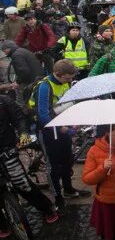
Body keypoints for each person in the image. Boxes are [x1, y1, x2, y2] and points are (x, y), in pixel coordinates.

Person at [31, 59, 90, 206]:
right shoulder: (44, 87)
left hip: (62, 125)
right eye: (67, 78)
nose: (69, 81)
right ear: (57, 74)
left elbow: (69, 102)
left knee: (67, 160)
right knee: (53, 166)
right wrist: (62, 129)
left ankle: (68, 189)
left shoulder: (66, 81)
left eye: (71, 78)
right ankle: (57, 197)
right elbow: (43, 115)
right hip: (47, 131)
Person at [0, 94, 58, 238]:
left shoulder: (4, 100)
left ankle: (46, 209)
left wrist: (23, 133)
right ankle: (2, 224)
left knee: (22, 184)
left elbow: (19, 119)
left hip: (6, 149)